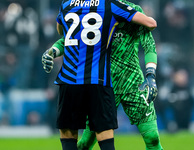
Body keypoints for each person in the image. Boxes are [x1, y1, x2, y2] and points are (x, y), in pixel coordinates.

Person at [42, 0, 157, 149]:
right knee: (88, 142)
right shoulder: (108, 6)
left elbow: (149, 45)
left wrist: (151, 75)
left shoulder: (68, 5)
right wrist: (54, 50)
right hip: (104, 81)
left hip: (131, 81)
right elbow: (70, 39)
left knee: (152, 137)